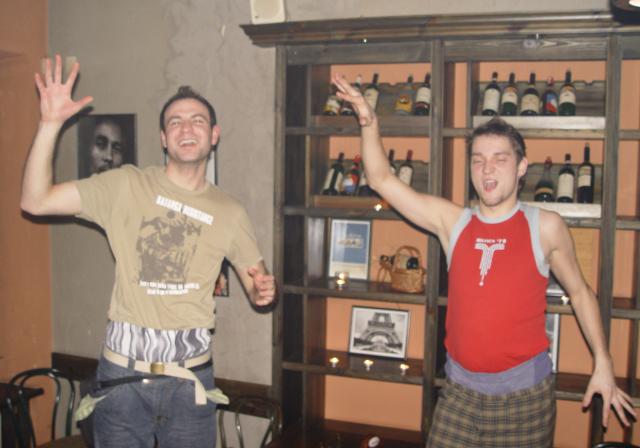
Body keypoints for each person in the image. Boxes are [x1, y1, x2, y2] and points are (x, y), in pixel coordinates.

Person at [331, 74, 635, 447]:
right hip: (459, 393)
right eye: (478, 160)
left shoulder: (545, 227)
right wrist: (368, 119)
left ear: (521, 167)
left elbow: (581, 293)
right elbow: (381, 179)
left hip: (525, 400)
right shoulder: (453, 223)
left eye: (499, 159)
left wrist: (603, 362)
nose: (487, 169)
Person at [20, 54, 277, 448]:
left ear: (214, 135)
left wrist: (263, 291)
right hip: (122, 383)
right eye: (175, 121)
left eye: (197, 121)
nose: (186, 128)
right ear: (163, 138)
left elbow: (257, 286)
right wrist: (50, 124)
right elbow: (35, 201)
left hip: (190, 385)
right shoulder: (125, 185)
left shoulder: (230, 211)